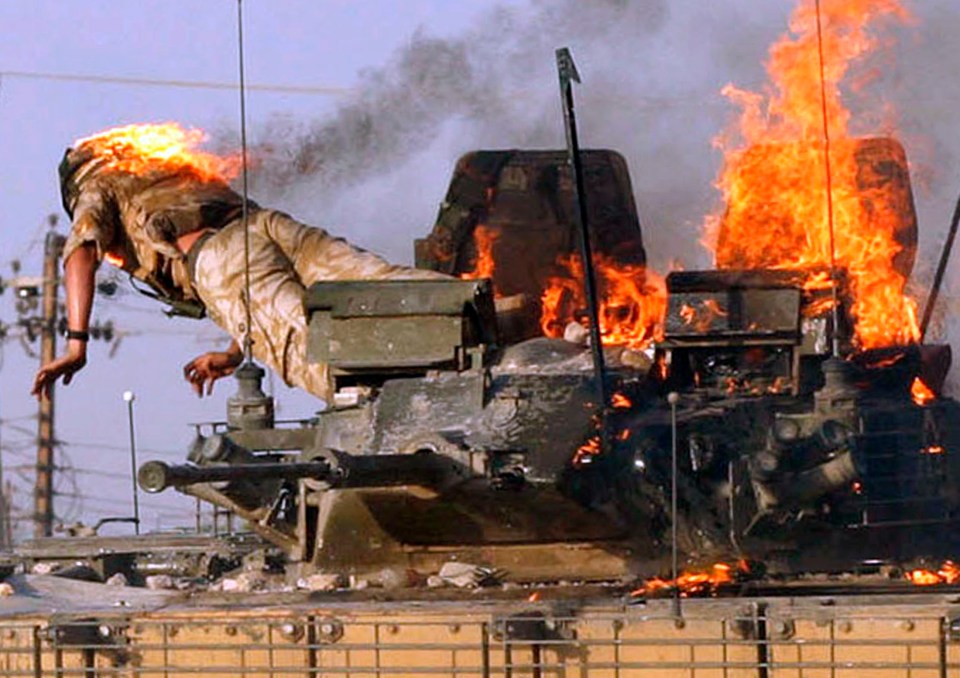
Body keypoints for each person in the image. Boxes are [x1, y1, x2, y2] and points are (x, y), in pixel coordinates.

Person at [32, 124, 446, 402]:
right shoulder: (168, 170)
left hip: (221, 257)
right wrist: (235, 352)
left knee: (312, 355)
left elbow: (82, 252)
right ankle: (486, 314)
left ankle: (415, 403)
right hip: (269, 227)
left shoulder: (94, 184)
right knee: (385, 284)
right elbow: (255, 281)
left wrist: (75, 345)